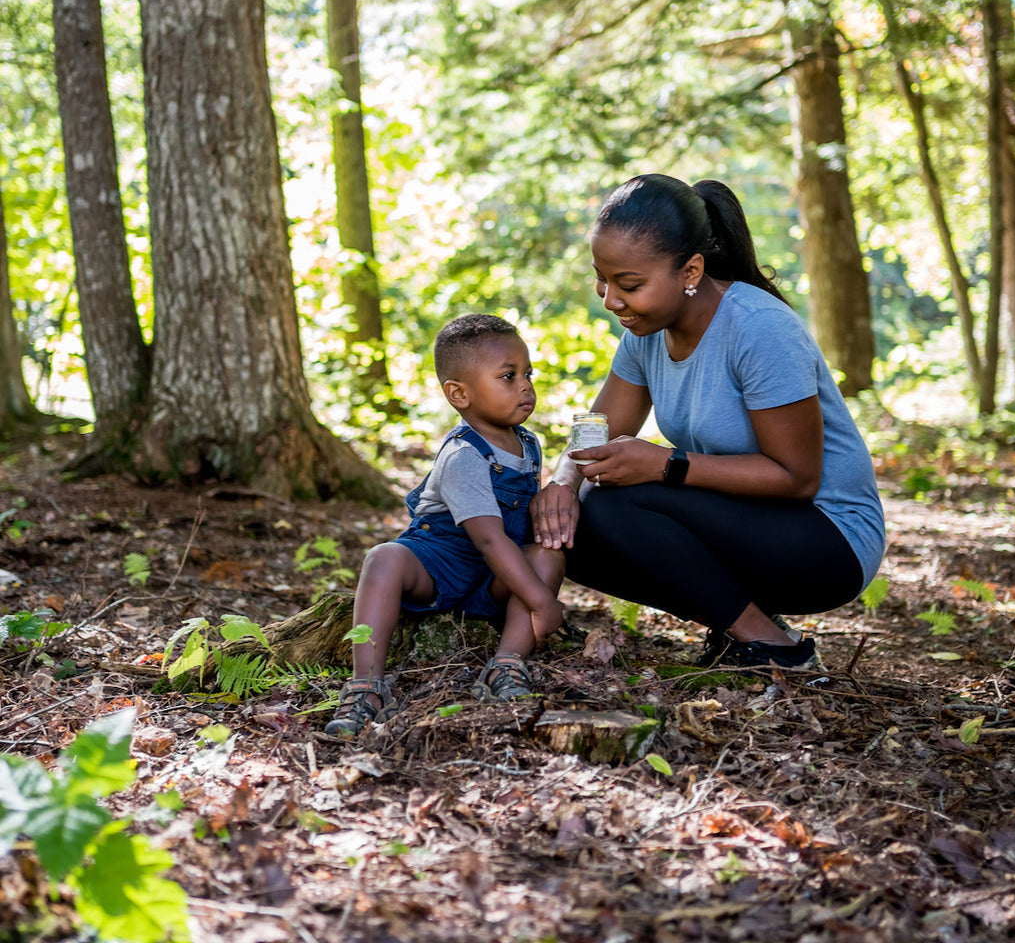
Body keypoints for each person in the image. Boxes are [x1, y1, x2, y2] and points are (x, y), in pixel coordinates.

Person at [530, 174, 885, 670]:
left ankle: (773, 647)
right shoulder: (647, 331)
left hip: (830, 539)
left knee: (615, 505)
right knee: (569, 526)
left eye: (629, 284)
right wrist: (562, 483)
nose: (611, 300)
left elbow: (798, 478)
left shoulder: (759, 329)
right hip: (747, 517)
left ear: (690, 270)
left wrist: (665, 465)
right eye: (602, 279)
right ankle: (753, 627)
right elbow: (600, 427)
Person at [327, 314, 565, 736]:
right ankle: (366, 685)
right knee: (383, 558)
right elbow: (489, 540)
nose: (526, 386)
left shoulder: (528, 443)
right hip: (440, 566)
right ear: (459, 394)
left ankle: (506, 665)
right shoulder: (464, 456)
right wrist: (542, 603)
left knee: (547, 553)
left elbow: (513, 535)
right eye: (508, 376)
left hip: (493, 577)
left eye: (528, 373)